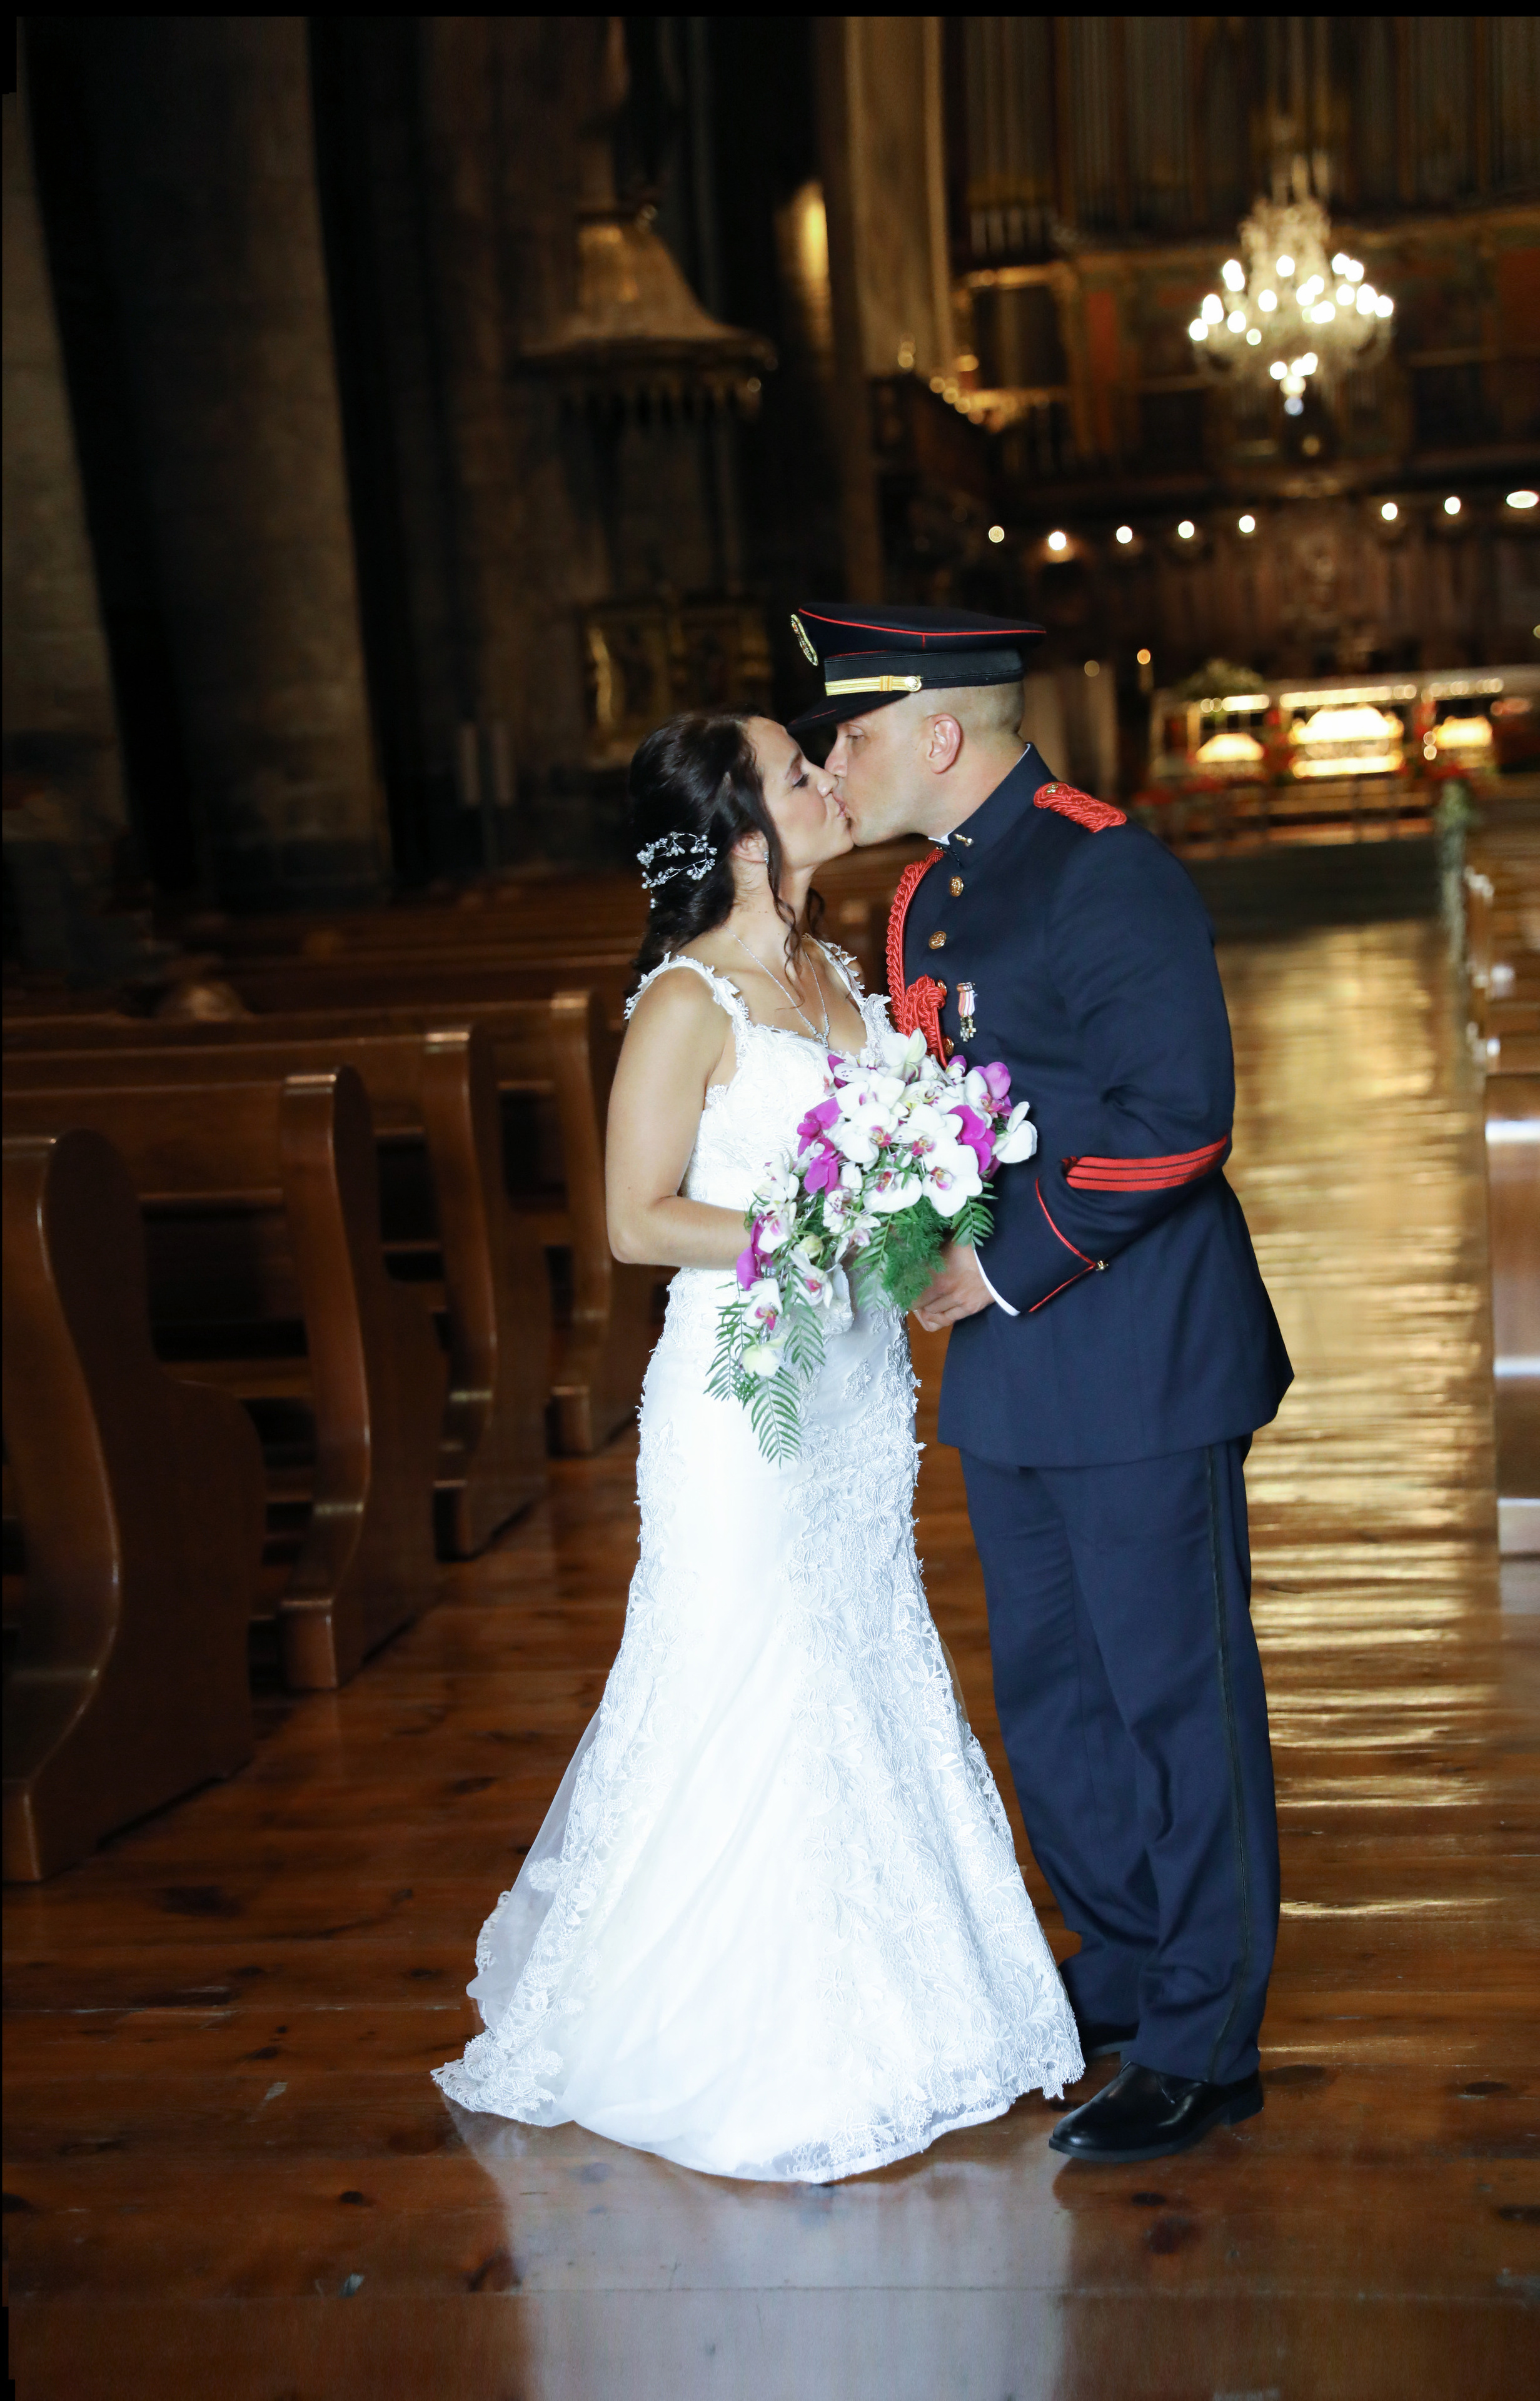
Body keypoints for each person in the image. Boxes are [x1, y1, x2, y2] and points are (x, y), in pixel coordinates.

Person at [433, 708, 1080, 2180]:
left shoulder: (834, 969)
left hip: (849, 1393)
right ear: (742, 838)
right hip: (741, 1399)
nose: (828, 781)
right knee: (749, 1668)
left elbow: (902, 1138)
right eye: (800, 775)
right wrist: (819, 1230)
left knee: (858, 1647)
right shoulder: (685, 1004)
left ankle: (913, 2002)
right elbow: (632, 1218)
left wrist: (923, 1197)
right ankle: (755, 2038)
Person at [789, 600, 1292, 2167]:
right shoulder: (930, 891)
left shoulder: (1100, 864)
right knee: (1055, 1699)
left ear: (938, 733)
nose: (830, 763)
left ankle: (1207, 2039)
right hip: (1007, 1373)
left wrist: (1007, 1266)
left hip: (1132, 1350)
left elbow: (1176, 1118)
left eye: (851, 736)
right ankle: (1129, 1968)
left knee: (1172, 1700)